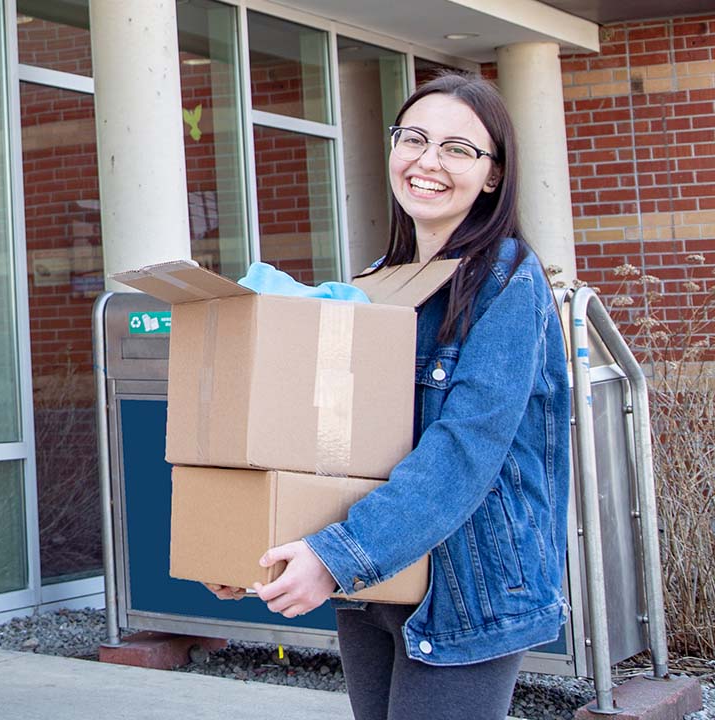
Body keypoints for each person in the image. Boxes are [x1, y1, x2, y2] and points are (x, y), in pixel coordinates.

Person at [206, 73, 570, 720]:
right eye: (414, 139)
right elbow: (331, 445)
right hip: (376, 580)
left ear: (493, 175)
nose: (428, 161)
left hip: (468, 584)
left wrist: (336, 554)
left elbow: (465, 453)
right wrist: (261, 550)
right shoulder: (376, 285)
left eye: (459, 149)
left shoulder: (510, 283)